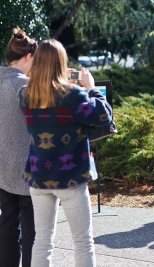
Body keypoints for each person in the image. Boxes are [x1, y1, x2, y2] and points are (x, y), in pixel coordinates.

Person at [18, 39, 112, 267]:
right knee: (82, 242)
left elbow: (45, 93)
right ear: (62, 64)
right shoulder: (74, 95)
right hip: (70, 179)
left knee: (42, 241)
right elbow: (104, 116)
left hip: (38, 177)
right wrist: (90, 87)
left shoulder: (25, 95)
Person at [0, 27, 38, 267]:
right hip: (28, 171)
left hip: (2, 171)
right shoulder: (26, 88)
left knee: (7, 227)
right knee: (33, 234)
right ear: (27, 57)